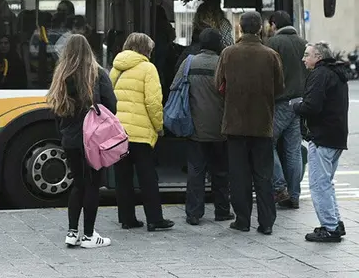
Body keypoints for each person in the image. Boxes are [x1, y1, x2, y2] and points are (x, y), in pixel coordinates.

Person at [215, 11, 284, 235]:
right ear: (260, 29)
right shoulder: (271, 55)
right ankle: (266, 222)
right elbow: (280, 88)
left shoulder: (228, 53)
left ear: (240, 28)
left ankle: (242, 220)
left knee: (239, 175)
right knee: (263, 175)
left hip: (235, 124)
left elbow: (218, 84)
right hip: (262, 123)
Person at [47, 34, 117, 248]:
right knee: (93, 185)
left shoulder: (61, 75)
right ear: (89, 51)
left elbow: (57, 110)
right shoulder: (97, 73)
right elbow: (111, 105)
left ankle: (72, 232)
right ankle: (88, 236)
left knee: (77, 185)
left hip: (70, 139)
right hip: (92, 139)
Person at [110, 32, 174, 232]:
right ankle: (154, 218)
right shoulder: (148, 68)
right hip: (140, 133)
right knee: (147, 177)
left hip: (119, 132)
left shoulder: (116, 68)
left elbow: (109, 100)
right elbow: (153, 102)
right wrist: (159, 126)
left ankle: (127, 218)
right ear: (145, 49)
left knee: (123, 177)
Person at [172, 28, 233, 225]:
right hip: (221, 129)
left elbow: (175, 86)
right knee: (221, 173)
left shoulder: (189, 62)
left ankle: (194, 214)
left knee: (195, 172)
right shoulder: (224, 64)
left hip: (195, 128)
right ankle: (222, 211)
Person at [293, 42, 349, 242]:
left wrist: (296, 106)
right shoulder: (337, 74)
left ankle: (330, 228)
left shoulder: (320, 74)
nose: (303, 58)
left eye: (307, 55)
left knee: (318, 184)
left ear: (318, 57)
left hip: (322, 136)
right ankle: (335, 222)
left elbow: (312, 106)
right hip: (336, 136)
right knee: (326, 183)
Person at [266, 11, 308, 209]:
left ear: (274, 24)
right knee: (293, 150)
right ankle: (294, 195)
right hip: (300, 103)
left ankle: (280, 187)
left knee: (266, 143)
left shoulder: (273, 44)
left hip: (281, 103)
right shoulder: (303, 43)